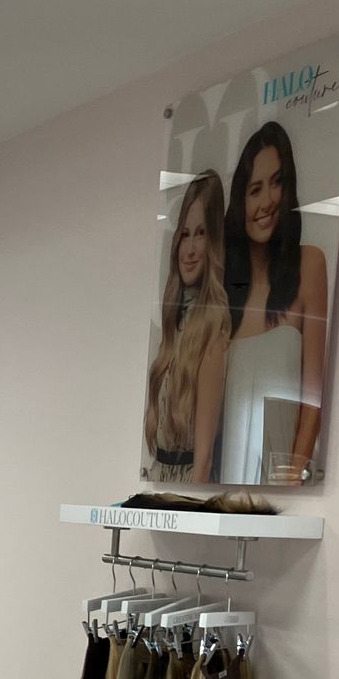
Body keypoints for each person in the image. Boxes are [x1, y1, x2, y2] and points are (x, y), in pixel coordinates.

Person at [221, 121, 329, 483]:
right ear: (241, 201)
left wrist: (292, 475)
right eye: (255, 189)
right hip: (228, 480)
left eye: (277, 182)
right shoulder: (225, 292)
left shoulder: (309, 265)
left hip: (282, 482)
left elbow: (314, 397)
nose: (267, 200)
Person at [144, 170, 230, 483]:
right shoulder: (171, 327)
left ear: (214, 244)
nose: (191, 249)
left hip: (186, 489)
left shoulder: (212, 331)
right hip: (159, 480)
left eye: (201, 234)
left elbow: (204, 460)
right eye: (185, 234)